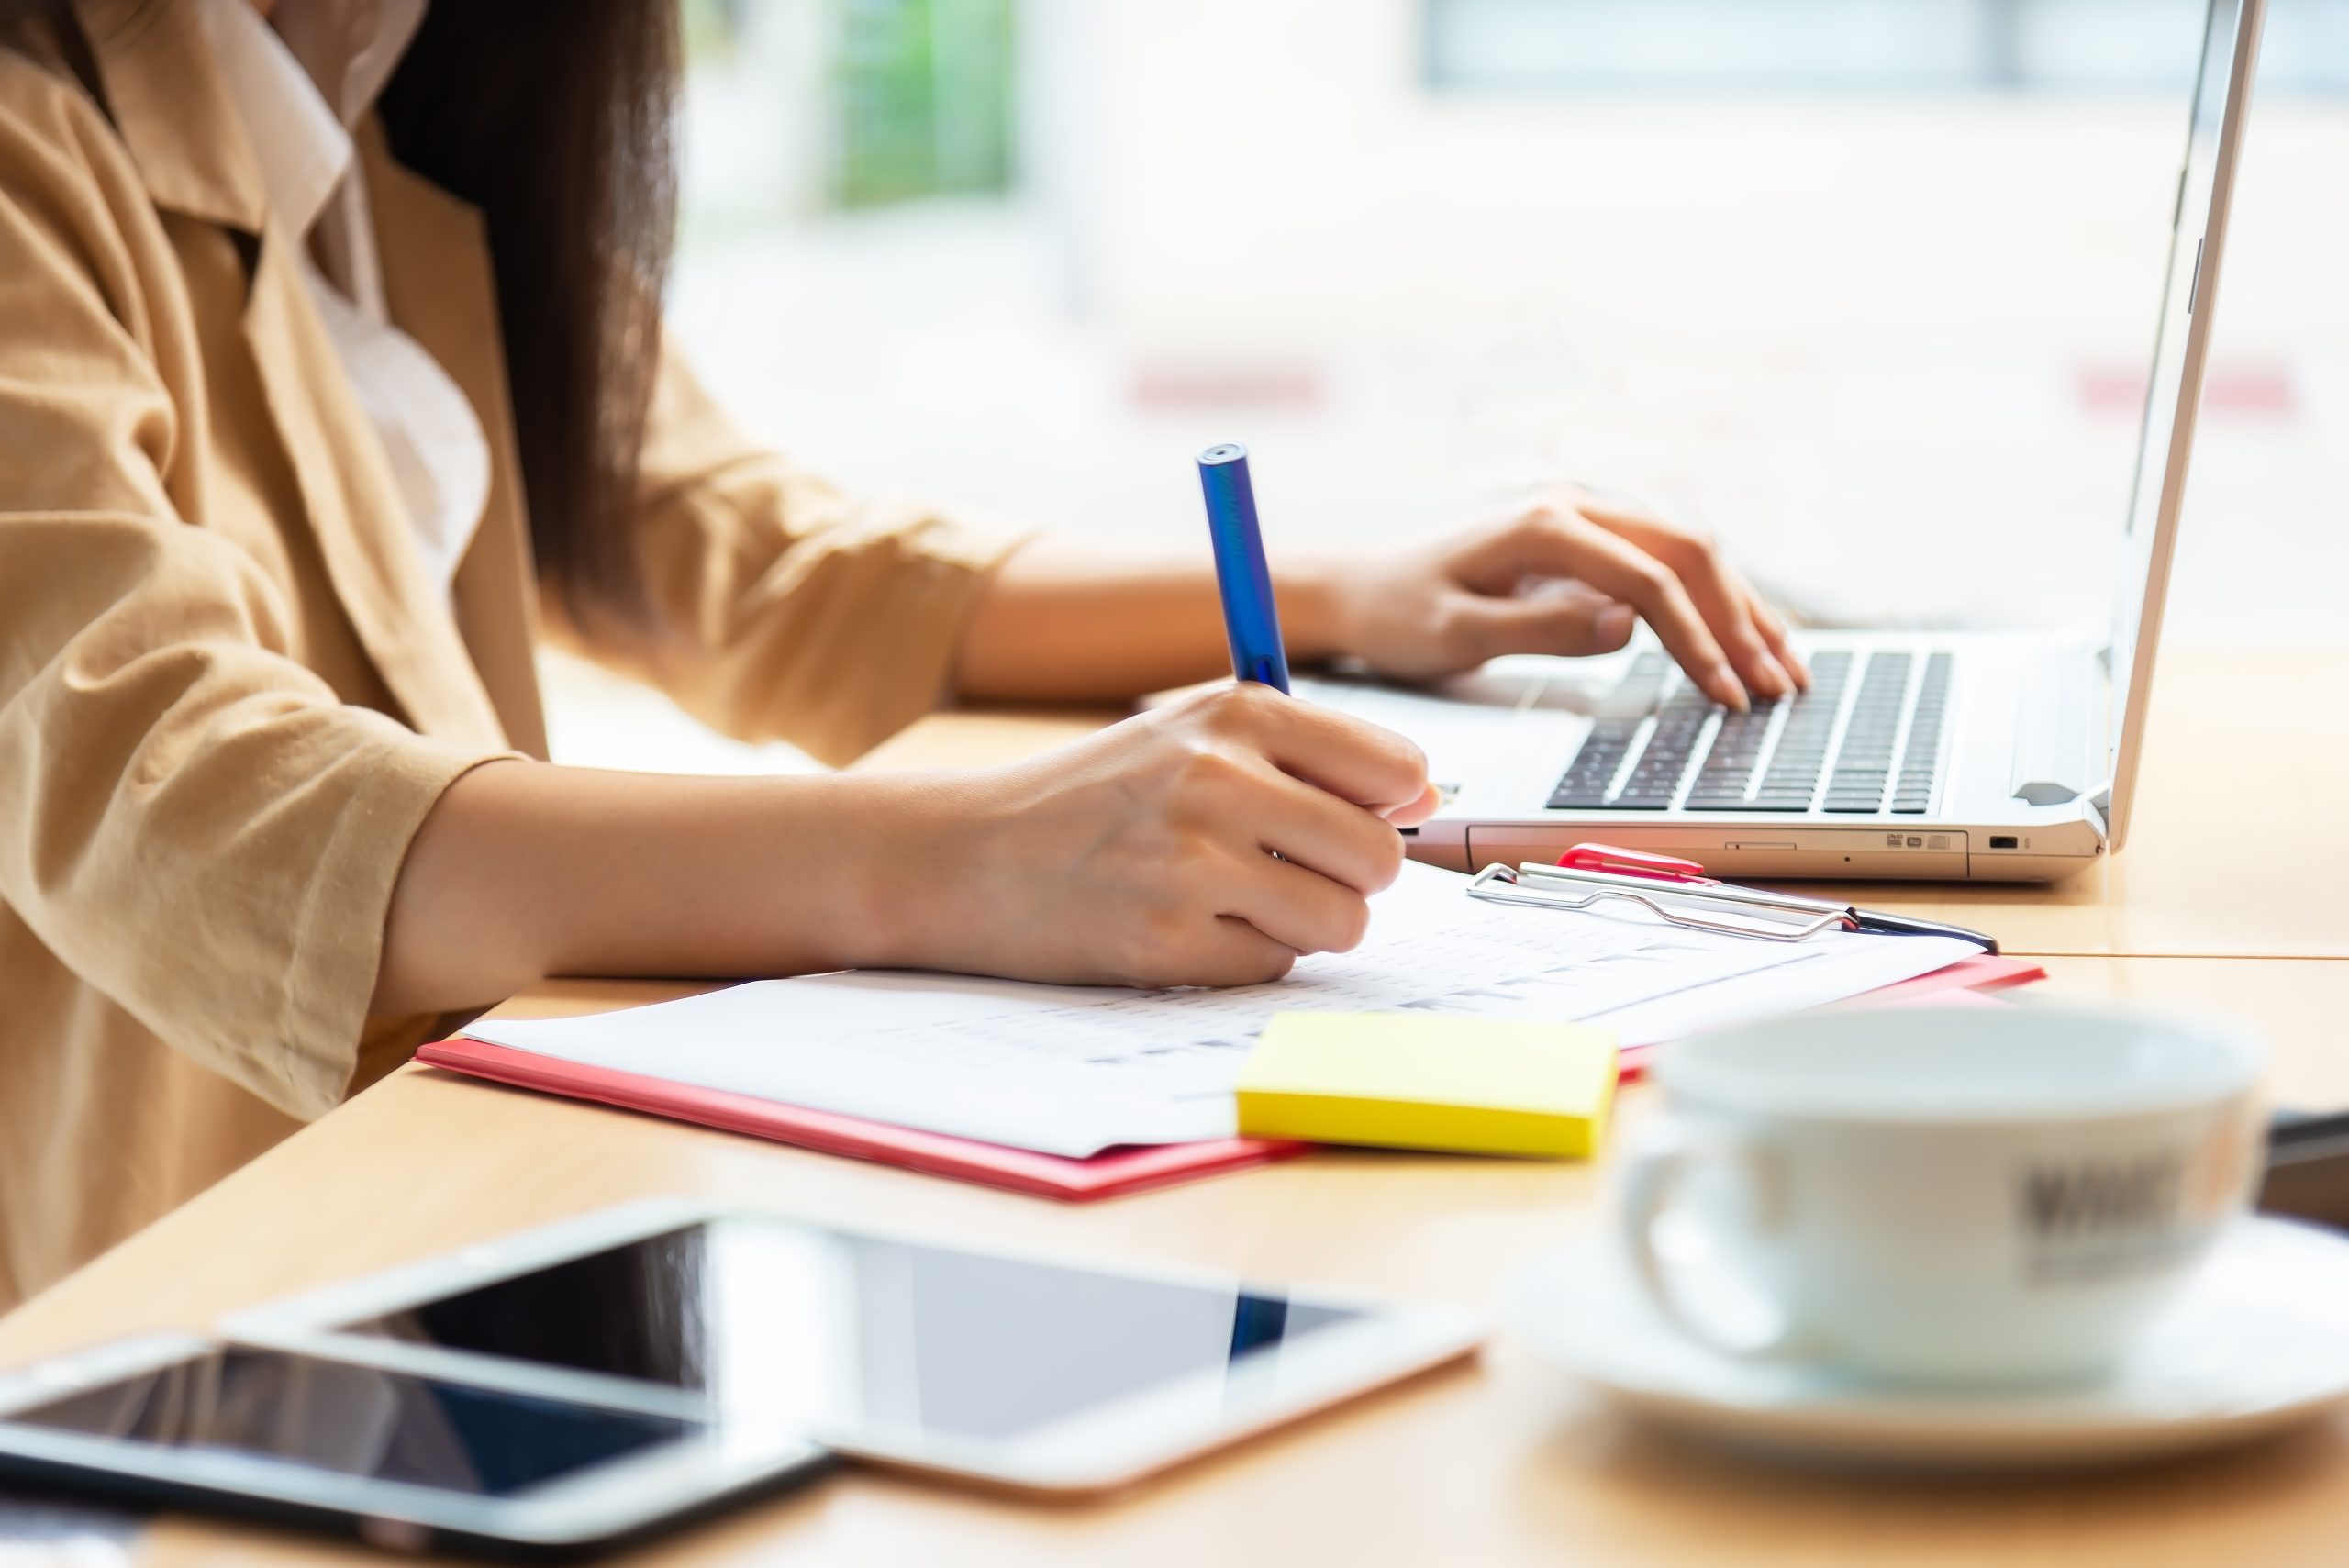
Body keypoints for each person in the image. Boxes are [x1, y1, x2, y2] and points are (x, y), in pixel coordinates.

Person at [0, 0, 1806, 1308]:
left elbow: (747, 556)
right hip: (188, 1309)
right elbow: (168, 790)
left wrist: (1347, 594)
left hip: (453, 1233)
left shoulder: (395, 141)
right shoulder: (37, 142)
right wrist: (966, 861)